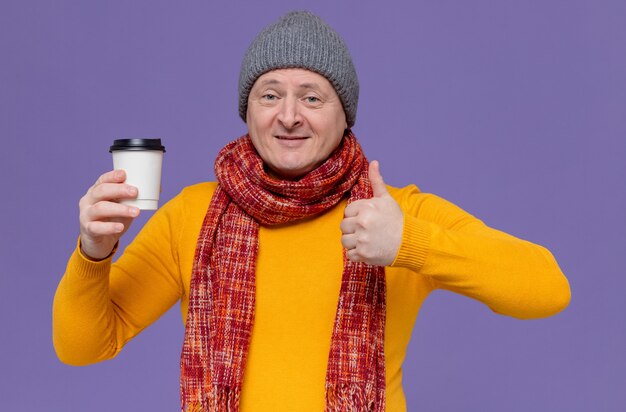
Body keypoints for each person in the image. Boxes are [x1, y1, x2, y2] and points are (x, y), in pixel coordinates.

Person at [53, 11, 571, 412]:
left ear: (345, 114)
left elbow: (547, 288)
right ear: (248, 110)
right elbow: (83, 347)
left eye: (313, 97)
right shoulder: (192, 215)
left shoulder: (392, 215)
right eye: (269, 94)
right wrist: (93, 252)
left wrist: (410, 243)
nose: (288, 116)